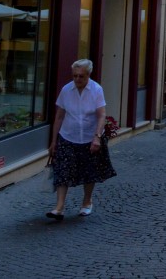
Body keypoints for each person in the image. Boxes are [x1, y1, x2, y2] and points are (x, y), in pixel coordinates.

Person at [46, 59, 116, 221]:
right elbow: (59, 117)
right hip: (68, 136)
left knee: (88, 171)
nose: (77, 79)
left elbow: (101, 115)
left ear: (88, 75)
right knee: (62, 170)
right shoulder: (66, 90)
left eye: (81, 76)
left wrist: (97, 137)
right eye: (75, 76)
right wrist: (54, 141)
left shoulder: (96, 90)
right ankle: (59, 207)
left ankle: (86, 202)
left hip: (89, 137)